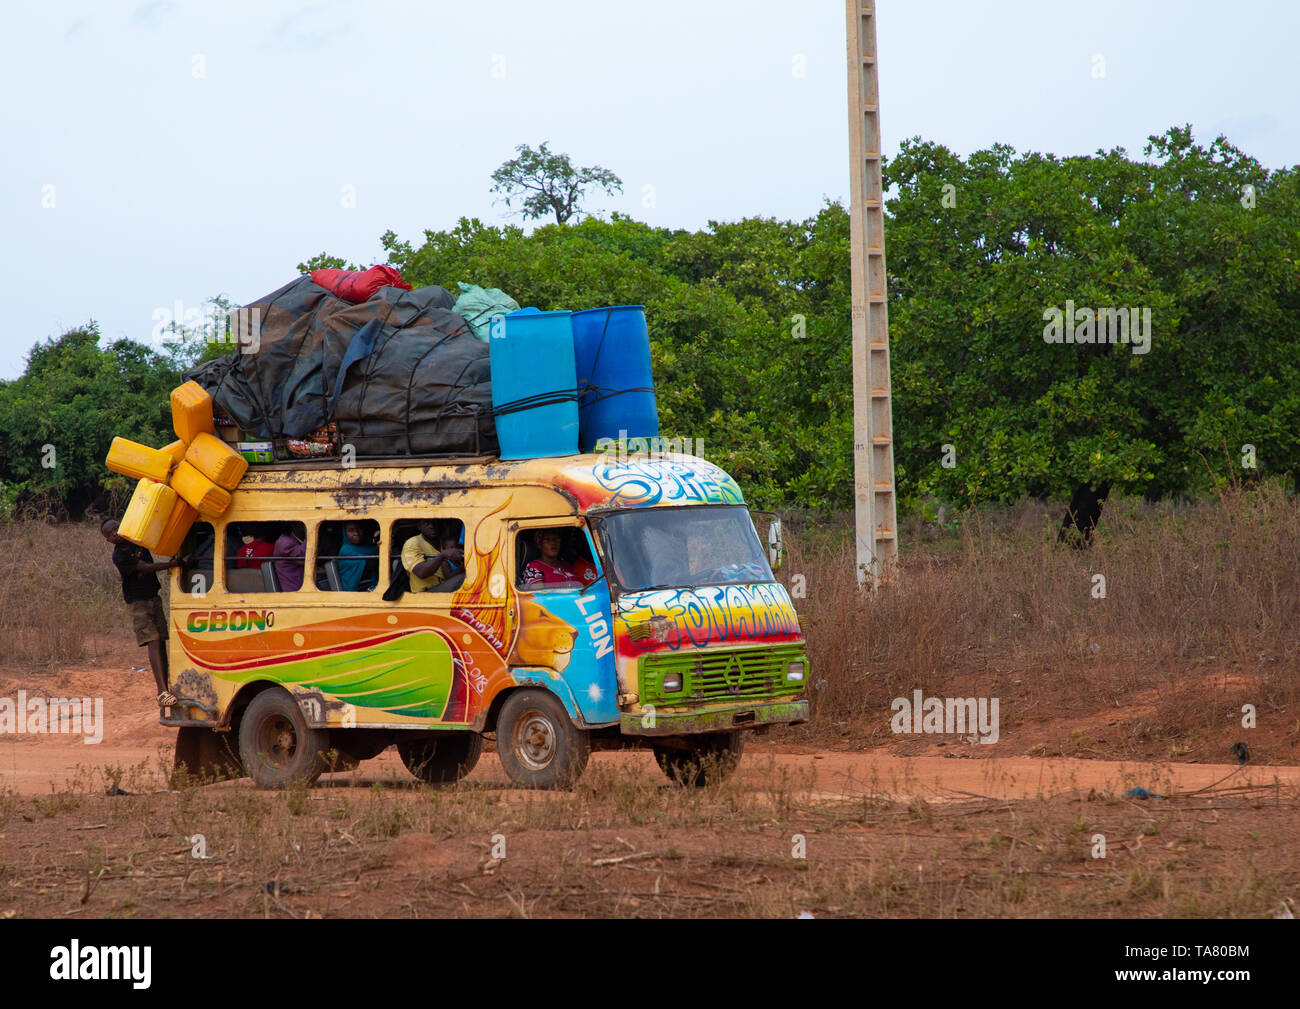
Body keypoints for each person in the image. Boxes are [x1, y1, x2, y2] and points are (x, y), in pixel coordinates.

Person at [101, 518, 187, 708]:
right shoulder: (119, 556)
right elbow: (146, 568)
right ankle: (161, 692)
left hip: (153, 597)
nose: (115, 533)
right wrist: (175, 564)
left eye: (116, 528)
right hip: (138, 602)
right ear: (108, 540)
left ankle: (167, 687)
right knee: (153, 641)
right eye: (111, 533)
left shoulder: (136, 541)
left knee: (161, 642)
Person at [402, 519, 464, 592]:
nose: (432, 526)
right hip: (425, 593)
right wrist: (442, 556)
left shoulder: (443, 543)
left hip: (443, 585)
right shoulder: (412, 543)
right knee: (463, 578)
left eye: (435, 522)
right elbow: (421, 572)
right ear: (419, 526)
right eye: (426, 523)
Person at [337, 521, 379, 591]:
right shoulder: (346, 550)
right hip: (355, 589)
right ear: (345, 533)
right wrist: (380, 551)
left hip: (369, 584)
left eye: (359, 529)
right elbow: (370, 564)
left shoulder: (368, 547)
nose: (356, 533)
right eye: (351, 530)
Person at [273, 524, 306, 592]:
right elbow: (304, 558)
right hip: (294, 588)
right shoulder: (284, 542)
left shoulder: (295, 538)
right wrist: (311, 535)